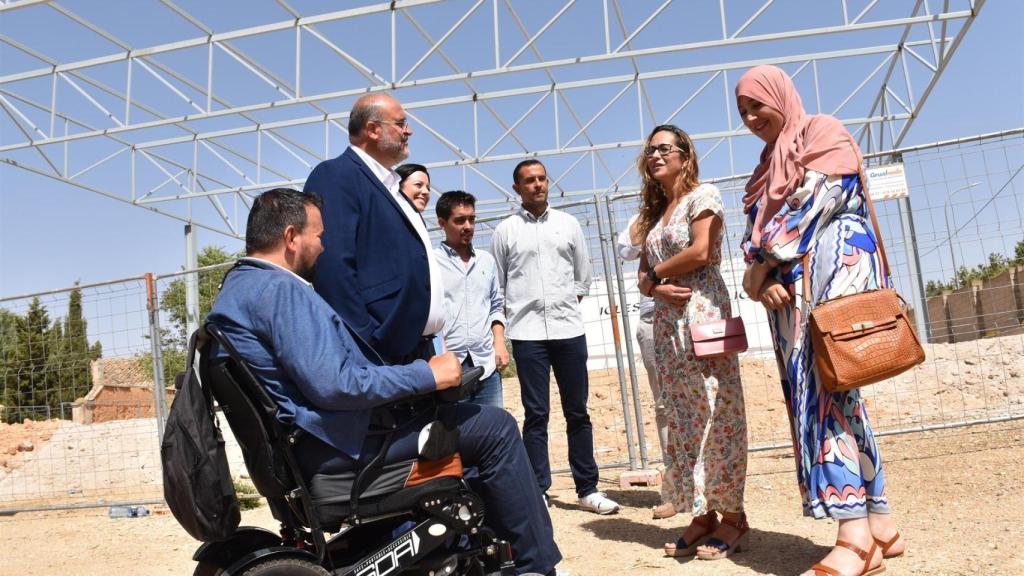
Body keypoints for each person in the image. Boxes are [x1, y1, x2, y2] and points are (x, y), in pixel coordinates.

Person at [206, 188, 562, 576]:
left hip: (308, 449)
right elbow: (337, 385)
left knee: (460, 423)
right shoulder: (279, 291)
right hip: (340, 451)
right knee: (495, 428)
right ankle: (536, 566)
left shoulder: (236, 290)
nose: (323, 247)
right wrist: (428, 374)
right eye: (319, 236)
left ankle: (470, 551)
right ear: (291, 237)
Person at [735, 64, 905, 576]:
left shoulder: (823, 132)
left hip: (832, 273)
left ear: (780, 96)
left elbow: (813, 204)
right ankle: (879, 524)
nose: (749, 117)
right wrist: (762, 274)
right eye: (741, 111)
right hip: (795, 291)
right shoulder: (768, 164)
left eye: (756, 105)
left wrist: (761, 266)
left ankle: (853, 538)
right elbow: (754, 233)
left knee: (826, 397)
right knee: (839, 395)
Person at [634, 125, 748, 561]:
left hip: (704, 316)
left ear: (685, 154)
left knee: (720, 413)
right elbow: (645, 276)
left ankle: (734, 517)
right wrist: (653, 288)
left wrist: (658, 276)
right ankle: (702, 514)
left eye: (664, 148)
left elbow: (701, 251)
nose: (655, 155)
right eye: (651, 150)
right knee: (685, 417)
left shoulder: (706, 196)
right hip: (667, 324)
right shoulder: (656, 213)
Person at [491, 159, 619, 515]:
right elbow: (498, 284)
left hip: (568, 331)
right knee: (536, 414)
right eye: (529, 181)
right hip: (527, 333)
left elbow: (582, 278)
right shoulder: (505, 231)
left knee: (577, 411)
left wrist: (563, 306)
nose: (537, 185)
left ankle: (588, 488)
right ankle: (539, 491)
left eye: (542, 179)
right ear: (516, 188)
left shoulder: (569, 224)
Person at [303, 94, 444, 364]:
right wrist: (366, 342)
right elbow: (333, 268)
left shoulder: (393, 187)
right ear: (372, 129)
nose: (409, 131)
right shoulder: (337, 175)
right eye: (401, 123)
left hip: (416, 349)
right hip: (382, 352)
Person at [616, 214, 675, 520]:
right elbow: (625, 250)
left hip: (689, 306)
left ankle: (707, 484)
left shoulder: (695, 202)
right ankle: (675, 486)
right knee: (664, 404)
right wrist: (649, 212)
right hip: (653, 315)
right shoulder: (647, 214)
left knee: (703, 399)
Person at [434, 190, 508, 408]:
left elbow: (496, 305)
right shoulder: (432, 263)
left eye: (472, 219)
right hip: (450, 366)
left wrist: (500, 343)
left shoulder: (487, 261)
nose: (468, 226)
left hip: (486, 364)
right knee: (454, 436)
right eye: (459, 220)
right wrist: (441, 352)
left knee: (494, 431)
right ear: (442, 222)